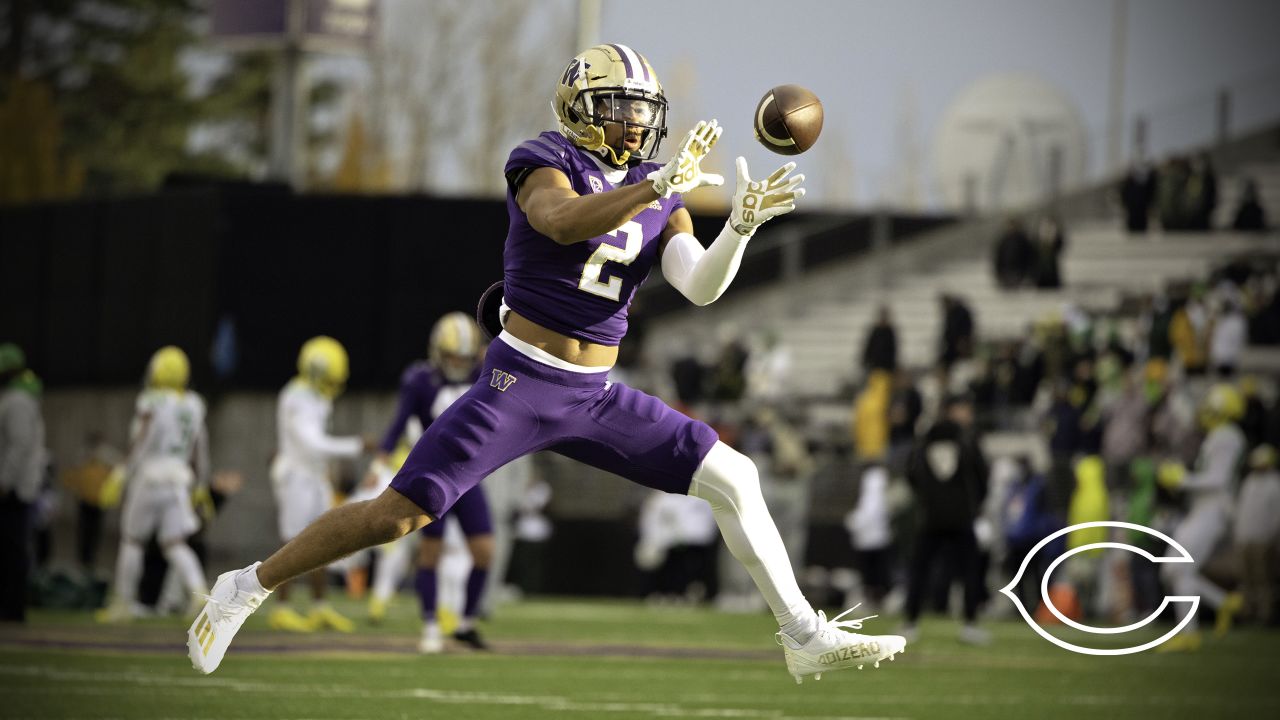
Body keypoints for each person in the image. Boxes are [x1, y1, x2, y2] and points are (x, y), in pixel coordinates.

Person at [189, 43, 906, 682]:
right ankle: (247, 584)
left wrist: (741, 229)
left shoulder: (665, 184)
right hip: (518, 384)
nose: (634, 122)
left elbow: (698, 285)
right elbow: (561, 222)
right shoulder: (545, 159)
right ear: (581, 107)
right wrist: (657, 188)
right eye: (619, 106)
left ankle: (802, 633)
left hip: (596, 394)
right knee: (396, 518)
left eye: (642, 109)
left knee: (734, 474)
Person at [372, 312, 498, 653]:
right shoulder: (419, 380)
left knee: (485, 551)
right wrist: (380, 458)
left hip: (470, 473)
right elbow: (400, 421)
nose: (458, 362)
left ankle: (466, 623)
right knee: (431, 552)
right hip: (435, 475)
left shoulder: (484, 372)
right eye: (452, 355)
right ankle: (430, 624)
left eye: (464, 356)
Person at [264, 336, 372, 634]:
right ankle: (281, 608)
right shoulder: (295, 396)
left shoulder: (317, 397)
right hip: (296, 475)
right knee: (291, 541)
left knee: (324, 539)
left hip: (314, 475)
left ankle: (319, 607)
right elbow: (312, 443)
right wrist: (356, 445)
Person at [98, 347, 211, 622]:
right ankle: (199, 593)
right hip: (179, 479)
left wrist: (122, 472)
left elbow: (144, 439)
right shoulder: (194, 403)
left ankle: (123, 603)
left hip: (150, 476)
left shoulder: (153, 400)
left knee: (133, 540)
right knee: (174, 543)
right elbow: (200, 446)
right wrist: (201, 484)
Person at [1156, 384, 1247, 652]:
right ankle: (1223, 603)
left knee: (1178, 568)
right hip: (1202, 510)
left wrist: (1183, 479)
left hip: (1213, 510)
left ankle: (1190, 633)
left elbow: (1218, 479)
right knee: (1171, 569)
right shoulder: (1221, 435)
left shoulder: (1227, 435)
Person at [901, 393, 990, 645]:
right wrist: (973, 506)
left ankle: (911, 621)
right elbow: (983, 478)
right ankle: (970, 624)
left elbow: (912, 475)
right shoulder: (968, 442)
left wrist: (926, 500)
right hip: (961, 518)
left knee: (920, 569)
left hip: (931, 517)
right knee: (969, 570)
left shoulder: (924, 442)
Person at [0, 343, 46, 623]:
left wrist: (5, 481)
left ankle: (12, 607)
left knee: (12, 549)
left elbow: (18, 446)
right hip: (17, 486)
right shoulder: (17, 398)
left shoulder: (16, 401)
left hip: (14, 490)